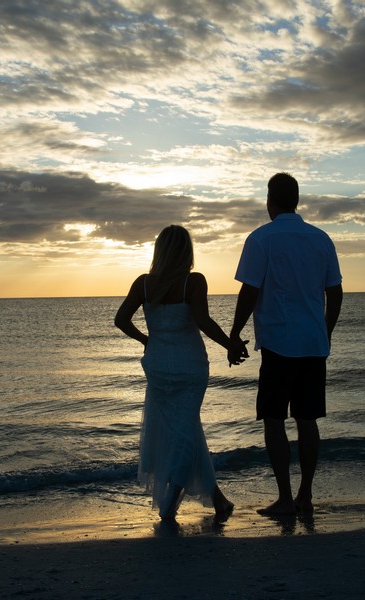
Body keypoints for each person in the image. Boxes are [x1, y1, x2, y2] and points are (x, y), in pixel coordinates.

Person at [228, 172, 343, 516]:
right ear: (296, 200)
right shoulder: (320, 238)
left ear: (270, 201)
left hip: (279, 342)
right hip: (312, 343)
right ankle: (305, 496)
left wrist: (234, 334)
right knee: (307, 420)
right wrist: (327, 330)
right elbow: (334, 291)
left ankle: (284, 497)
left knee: (274, 419)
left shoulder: (262, 239)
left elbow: (250, 290)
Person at [115, 225, 246, 522]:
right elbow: (203, 321)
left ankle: (218, 499)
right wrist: (230, 344)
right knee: (184, 430)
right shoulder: (193, 282)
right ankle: (170, 501)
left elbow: (121, 320)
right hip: (190, 366)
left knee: (183, 429)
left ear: (159, 250)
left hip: (158, 365)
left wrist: (148, 340)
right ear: (186, 251)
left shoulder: (144, 284)